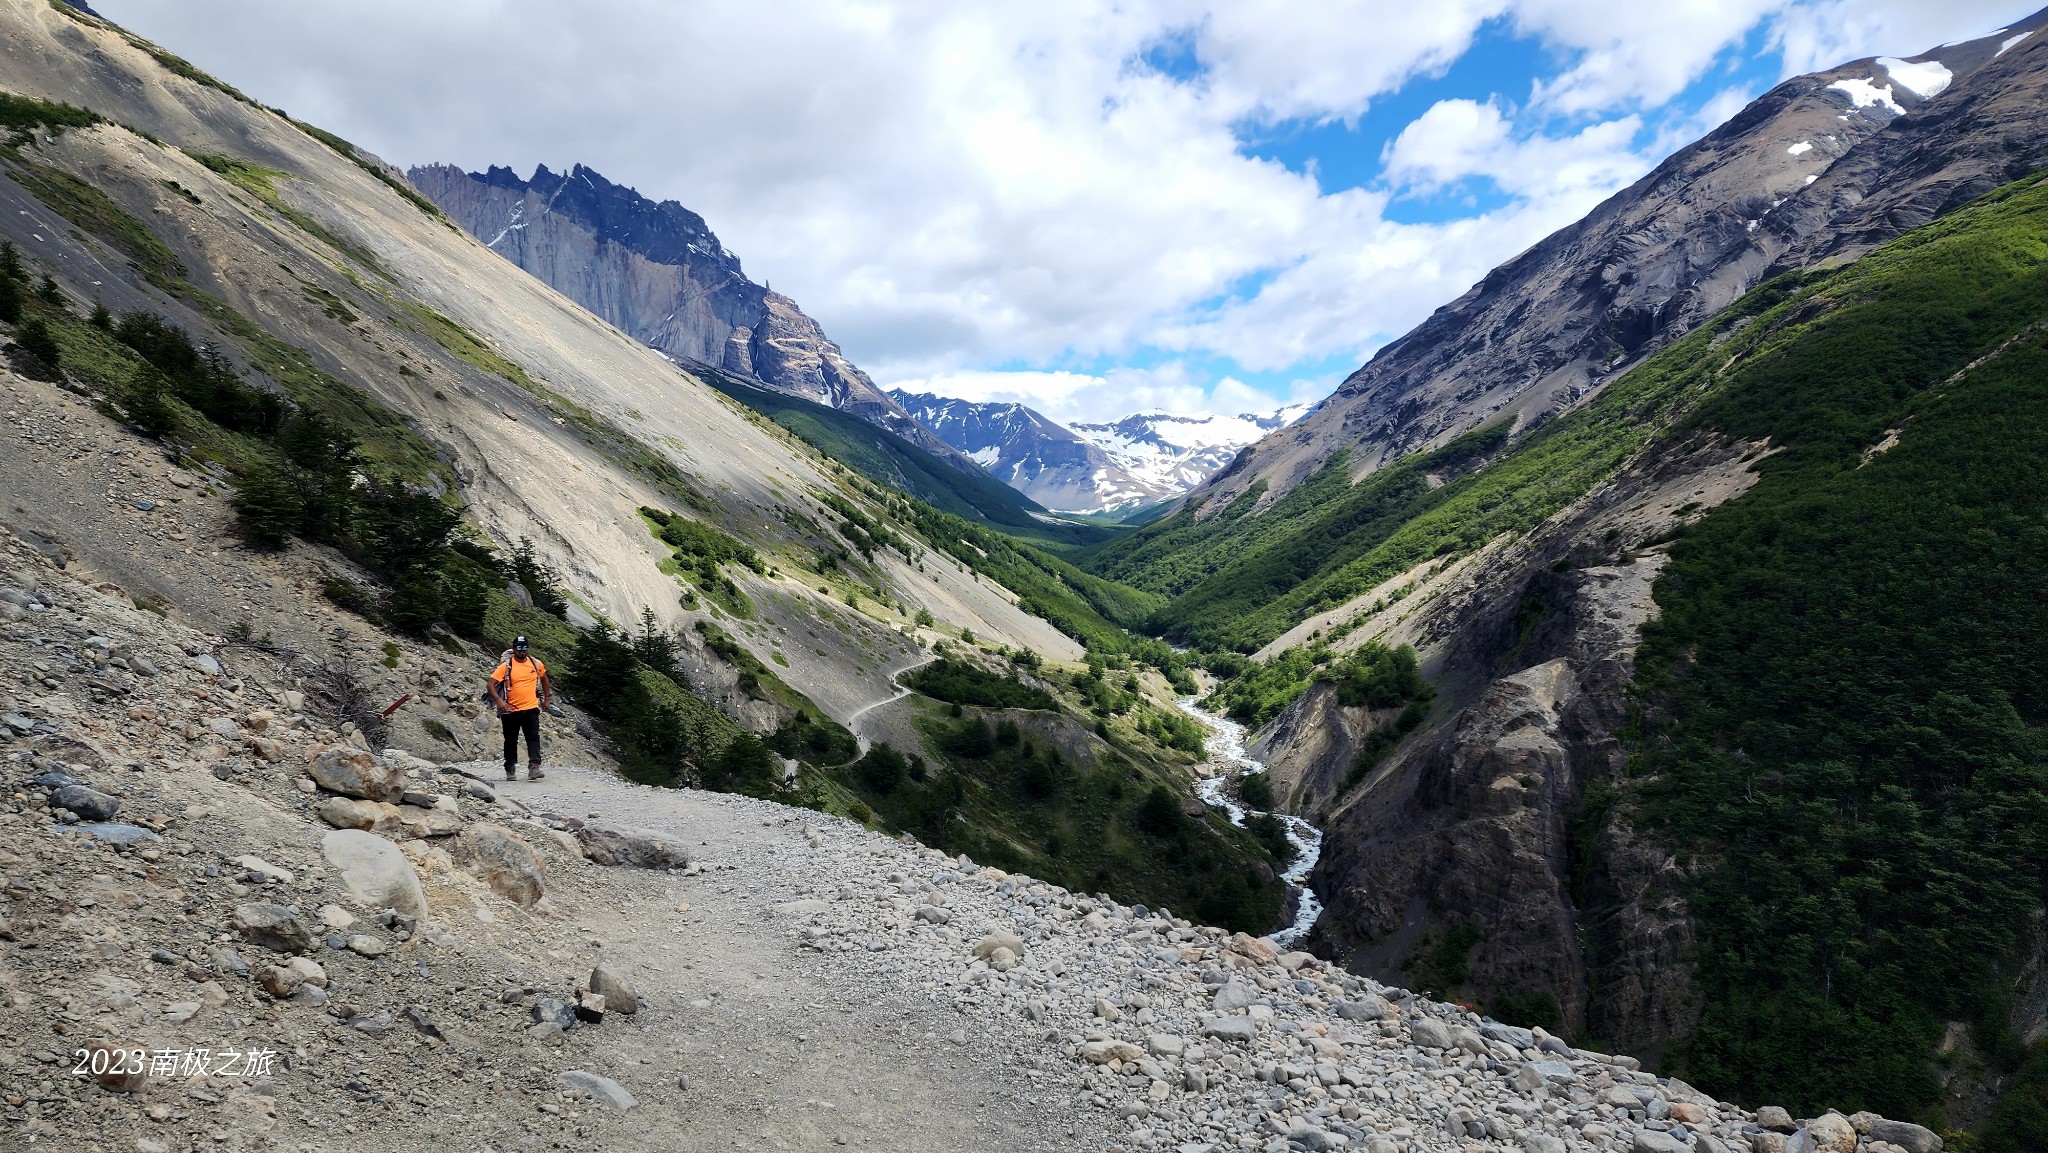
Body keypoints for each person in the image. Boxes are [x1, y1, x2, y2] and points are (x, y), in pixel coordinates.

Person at [488, 636, 554, 782]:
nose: (522, 651)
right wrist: (499, 701)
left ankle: (534, 766)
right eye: (519, 648)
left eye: (524, 648)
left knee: (533, 737)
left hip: (531, 708)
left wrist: (547, 699)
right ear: (514, 648)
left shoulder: (535, 664)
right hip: (510, 710)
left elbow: (544, 679)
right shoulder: (506, 666)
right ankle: (510, 767)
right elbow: (490, 685)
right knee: (510, 740)